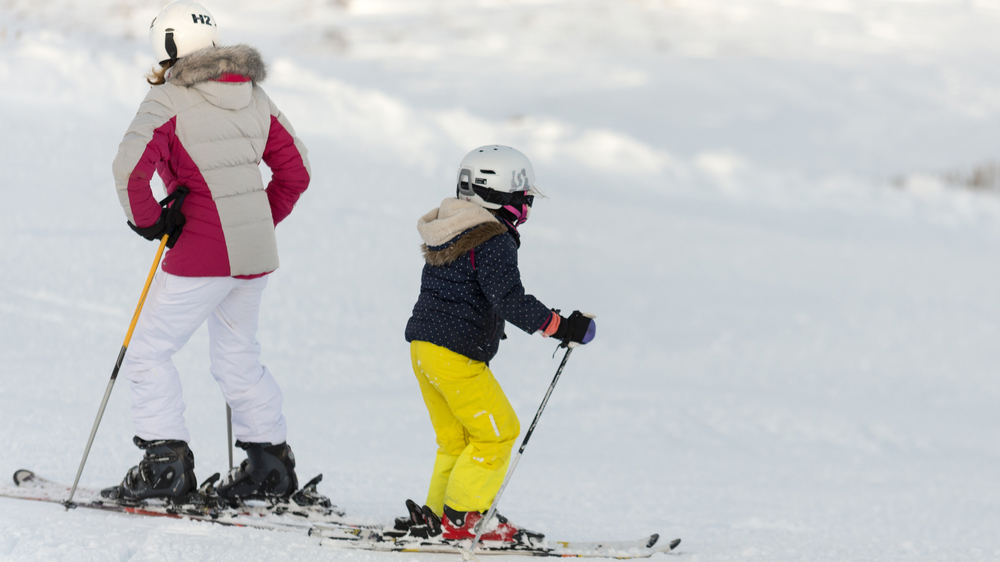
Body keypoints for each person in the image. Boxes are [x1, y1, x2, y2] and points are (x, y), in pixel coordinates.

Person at [102, 0, 311, 504]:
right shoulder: (254, 94)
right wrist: (256, 222)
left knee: (148, 353)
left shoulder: (170, 98)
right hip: (253, 256)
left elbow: (128, 170)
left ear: (166, 46)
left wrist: (153, 222)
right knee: (238, 358)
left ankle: (164, 469)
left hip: (200, 254)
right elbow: (296, 171)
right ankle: (270, 469)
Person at [400, 145, 596, 544]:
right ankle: (464, 518)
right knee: (498, 433)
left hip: (423, 349)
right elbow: (508, 299)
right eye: (523, 200)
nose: (526, 210)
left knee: (456, 440)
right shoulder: (492, 239)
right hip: (454, 356)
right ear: (499, 198)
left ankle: (437, 516)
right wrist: (562, 327)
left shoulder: (452, 228)